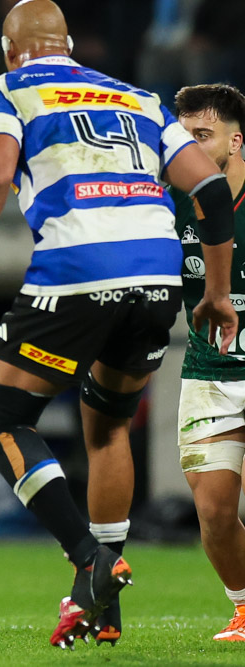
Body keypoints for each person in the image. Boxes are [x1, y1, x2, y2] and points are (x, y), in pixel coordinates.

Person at [0, 0, 237, 649]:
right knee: (107, 423)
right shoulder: (139, 98)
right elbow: (209, 189)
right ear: (67, 45)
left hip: (78, 269)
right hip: (157, 277)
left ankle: (91, 560)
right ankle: (104, 609)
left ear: (11, 51)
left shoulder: (6, 91)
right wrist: (218, 293)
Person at [167, 83, 245, 641]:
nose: (189, 147)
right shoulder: (168, 204)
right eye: (183, 136)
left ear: (235, 141)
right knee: (215, 514)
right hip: (210, 373)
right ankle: (244, 607)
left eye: (203, 135)